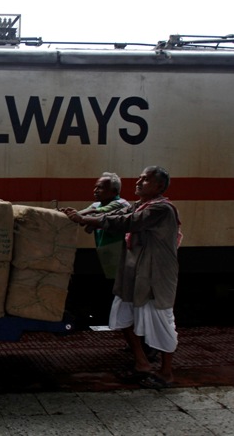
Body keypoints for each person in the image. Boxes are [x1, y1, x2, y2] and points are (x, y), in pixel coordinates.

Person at [62, 166, 181, 388]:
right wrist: (84, 217)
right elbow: (116, 215)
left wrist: (86, 219)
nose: (138, 181)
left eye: (145, 180)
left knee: (161, 322)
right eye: (139, 177)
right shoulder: (140, 206)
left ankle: (166, 373)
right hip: (133, 274)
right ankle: (142, 363)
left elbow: (126, 222)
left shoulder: (162, 209)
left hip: (155, 276)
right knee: (123, 315)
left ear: (159, 187)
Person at [76, 172, 130, 279]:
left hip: (120, 252)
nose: (95, 190)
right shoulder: (97, 204)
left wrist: (82, 214)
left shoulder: (121, 203)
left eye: (100, 188)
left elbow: (90, 214)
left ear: (114, 191)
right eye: (95, 187)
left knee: (120, 282)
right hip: (105, 250)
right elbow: (81, 220)